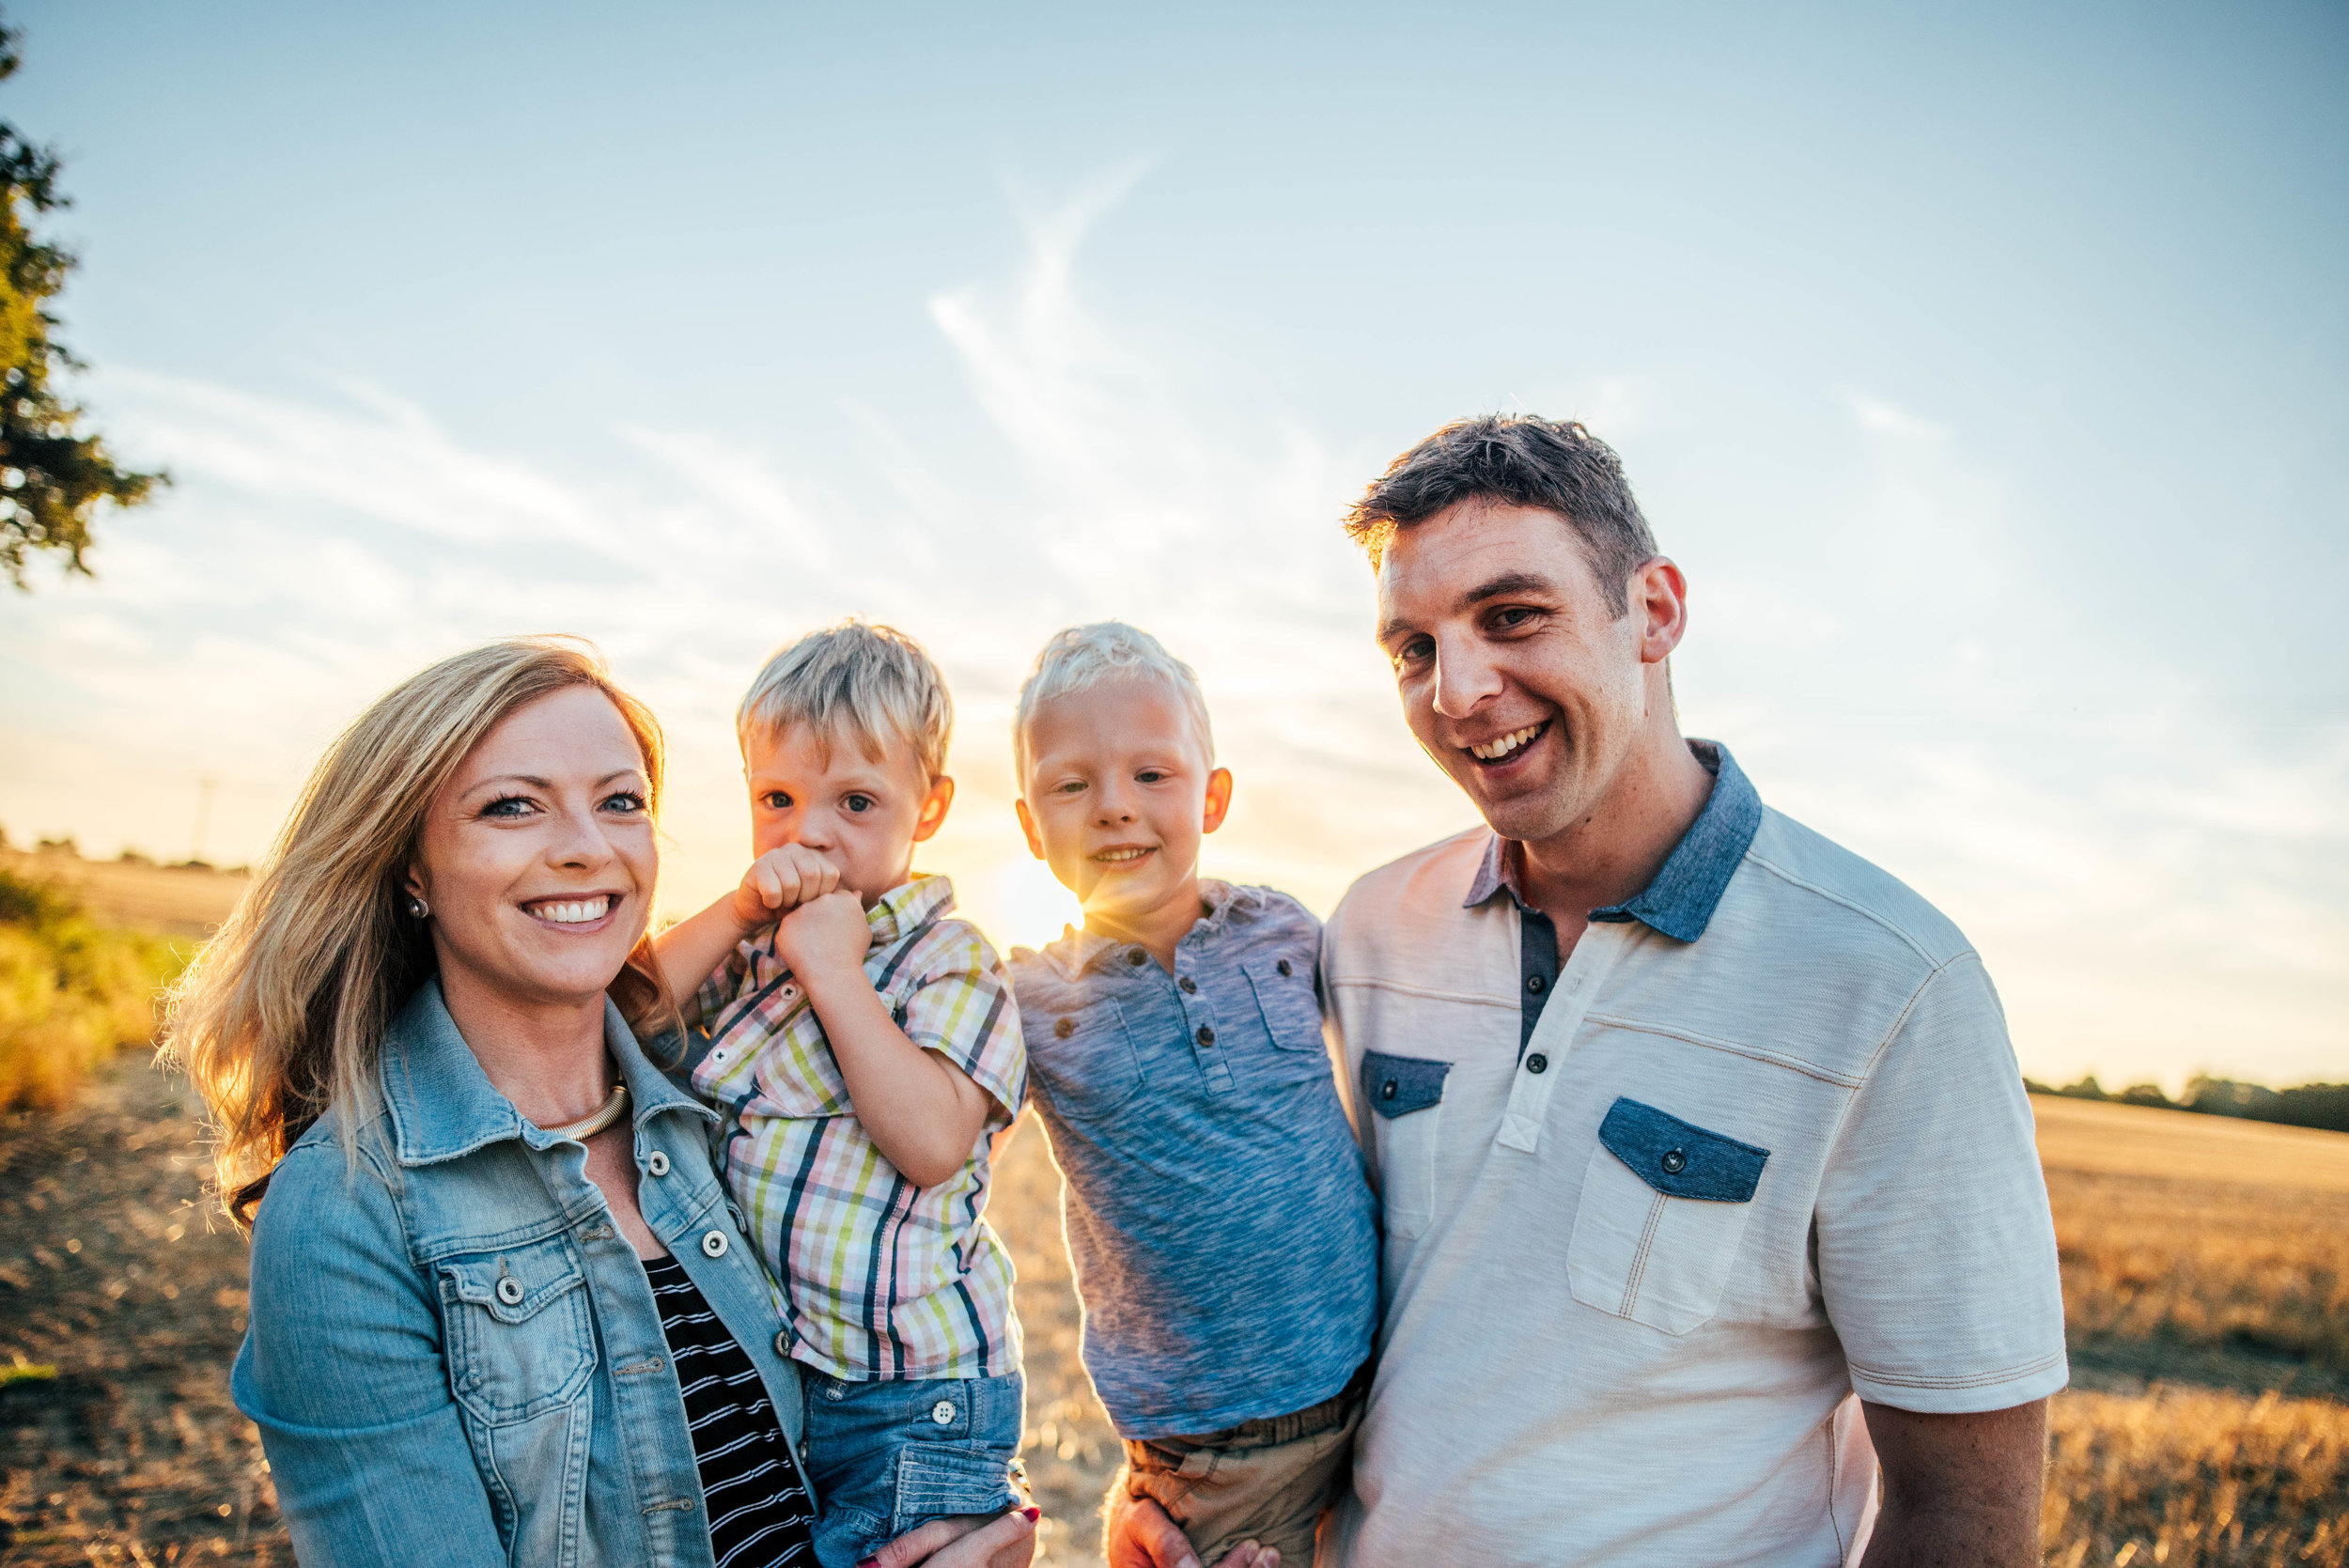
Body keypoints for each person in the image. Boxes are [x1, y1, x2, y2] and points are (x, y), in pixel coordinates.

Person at [1112, 416, 2068, 1568]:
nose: (1457, 690)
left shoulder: (1892, 985)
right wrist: (1204, 1505)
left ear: (1653, 611)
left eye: (1511, 616)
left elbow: (1965, 1510)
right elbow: (1300, 1275)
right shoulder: (1366, 930)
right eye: (1412, 647)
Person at [167, 636, 1038, 1568]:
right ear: (410, 867)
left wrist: (978, 1533)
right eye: (512, 805)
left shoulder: (696, 1104)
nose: (586, 847)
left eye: (620, 802)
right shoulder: (344, 1213)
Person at [651, 621, 1029, 1568]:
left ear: (929, 807)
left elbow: (935, 1141)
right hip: (791, 1375)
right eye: (776, 798)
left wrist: (835, 976)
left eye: (856, 800)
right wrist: (738, 908)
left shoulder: (949, 958)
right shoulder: (744, 948)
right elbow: (627, 1015)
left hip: (915, 1393)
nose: (809, 831)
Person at [1003, 624, 1378, 1568]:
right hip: (1214, 1455)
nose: (1113, 809)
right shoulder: (1029, 999)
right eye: (1071, 784)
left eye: (1151, 776)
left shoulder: (1286, 931)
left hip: (1383, 1387)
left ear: (1211, 796)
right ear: (1027, 824)